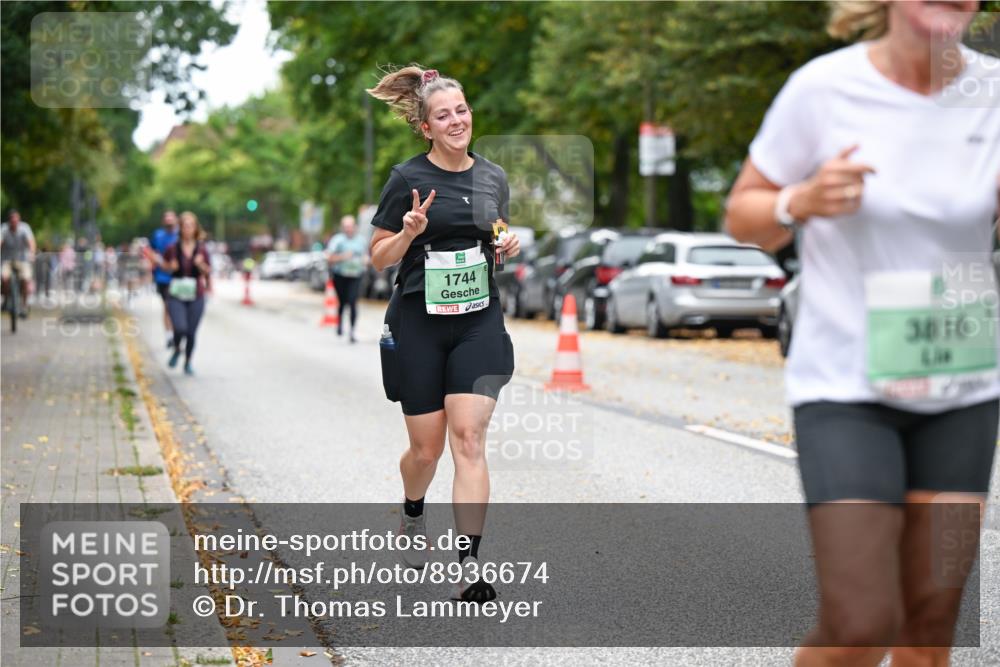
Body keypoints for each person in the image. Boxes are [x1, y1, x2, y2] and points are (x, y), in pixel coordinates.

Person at [725, 1, 999, 664]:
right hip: (846, 386)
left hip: (961, 387)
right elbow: (742, 216)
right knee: (861, 621)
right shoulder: (824, 89)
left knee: (929, 628)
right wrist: (799, 200)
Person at [367, 65, 520, 602]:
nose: (457, 121)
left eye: (462, 110)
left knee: (469, 438)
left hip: (478, 320)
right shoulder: (406, 179)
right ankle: (412, 510)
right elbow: (378, 256)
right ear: (425, 127)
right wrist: (407, 233)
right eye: (443, 115)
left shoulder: (493, 176)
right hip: (419, 323)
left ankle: (469, 566)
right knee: (426, 450)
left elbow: (494, 229)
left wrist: (506, 241)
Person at [159, 212, 211, 376]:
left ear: (195, 228)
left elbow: (208, 271)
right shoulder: (172, 248)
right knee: (180, 328)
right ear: (180, 228)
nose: (188, 229)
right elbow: (163, 266)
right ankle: (176, 348)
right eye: (185, 225)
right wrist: (170, 266)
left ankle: (188, 362)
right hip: (176, 294)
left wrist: (201, 265)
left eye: (191, 225)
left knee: (191, 332)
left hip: (196, 294)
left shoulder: (202, 249)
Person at [326, 215, 367, 342]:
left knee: (353, 301)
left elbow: (366, 256)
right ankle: (339, 324)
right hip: (340, 275)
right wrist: (343, 256)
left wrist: (366, 260)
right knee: (342, 301)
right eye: (346, 227)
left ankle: (352, 332)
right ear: (342, 228)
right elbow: (329, 257)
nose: (348, 229)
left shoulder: (361, 241)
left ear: (355, 227)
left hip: (356, 275)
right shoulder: (337, 240)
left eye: (350, 226)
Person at [149, 210, 179, 349]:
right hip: (163, 277)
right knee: (168, 306)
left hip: (179, 277)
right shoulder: (158, 235)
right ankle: (169, 336)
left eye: (171, 218)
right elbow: (151, 251)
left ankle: (178, 332)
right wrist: (156, 261)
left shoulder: (180, 235)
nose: (169, 221)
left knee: (178, 307)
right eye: (166, 219)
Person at [1, 209, 37, 317]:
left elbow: (31, 242)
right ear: (9, 221)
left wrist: (32, 253)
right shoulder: (4, 228)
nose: (14, 222)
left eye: (16, 220)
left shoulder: (24, 228)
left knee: (26, 279)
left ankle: (24, 305)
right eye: (12, 220)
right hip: (7, 259)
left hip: (23, 259)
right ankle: (6, 299)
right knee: (4, 278)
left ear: (19, 220)